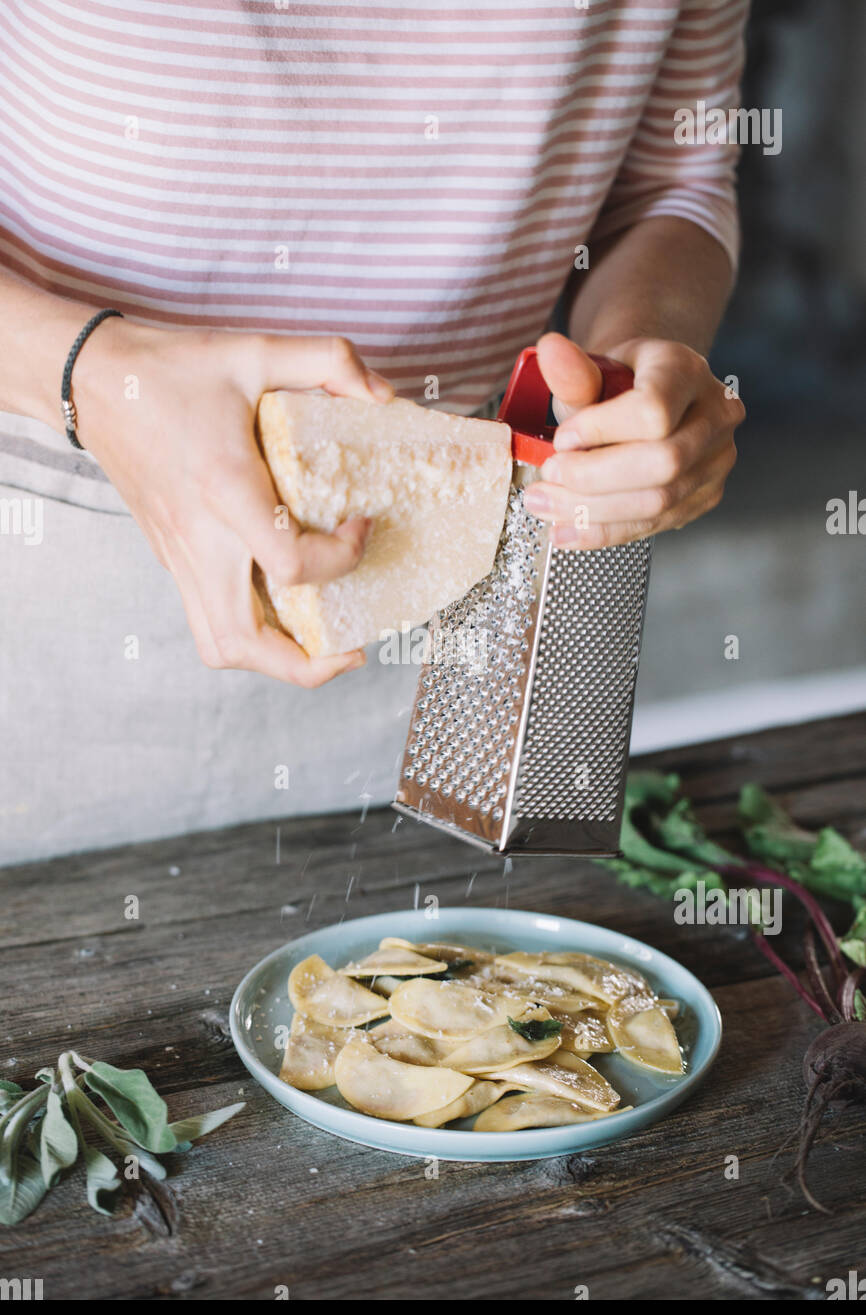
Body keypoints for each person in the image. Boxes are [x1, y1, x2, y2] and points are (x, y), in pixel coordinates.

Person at [0, 1, 747, 860]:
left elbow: (670, 187)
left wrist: (635, 357)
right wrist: (91, 376)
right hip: (50, 590)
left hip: (440, 605)